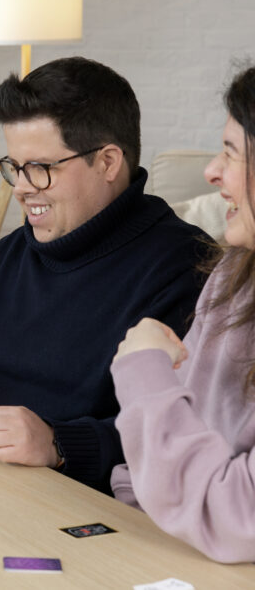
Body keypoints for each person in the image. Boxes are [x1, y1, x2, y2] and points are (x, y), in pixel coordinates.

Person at [0, 57, 211, 493]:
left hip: (64, 503)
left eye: (40, 169)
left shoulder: (187, 268)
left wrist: (58, 444)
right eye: (14, 167)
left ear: (107, 162)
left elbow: (185, 432)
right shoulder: (12, 251)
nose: (21, 188)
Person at [110, 65, 255, 563]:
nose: (212, 171)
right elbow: (143, 475)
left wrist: (143, 370)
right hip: (168, 541)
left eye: (231, 152)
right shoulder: (235, 271)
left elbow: (236, 518)